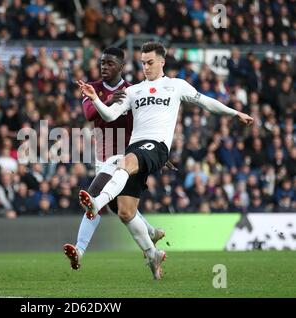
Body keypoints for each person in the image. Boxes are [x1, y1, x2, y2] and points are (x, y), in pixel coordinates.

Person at [78, 42, 254, 279]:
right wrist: (96, 99)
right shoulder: (133, 91)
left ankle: (97, 204)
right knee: (125, 213)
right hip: (136, 149)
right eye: (142, 63)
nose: (146, 67)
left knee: (124, 163)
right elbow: (109, 115)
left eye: (150, 62)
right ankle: (153, 255)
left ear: (162, 62)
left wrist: (235, 113)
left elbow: (206, 102)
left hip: (157, 146)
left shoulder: (175, 85)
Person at [63, 47, 165, 271]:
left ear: (121, 67)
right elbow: (89, 114)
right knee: (120, 209)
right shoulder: (94, 88)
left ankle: (79, 251)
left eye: (110, 63)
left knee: (94, 198)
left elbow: (145, 124)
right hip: (103, 158)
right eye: (102, 63)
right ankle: (152, 238)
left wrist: (157, 150)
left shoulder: (133, 91)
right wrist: (107, 100)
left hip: (127, 157)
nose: (104, 67)